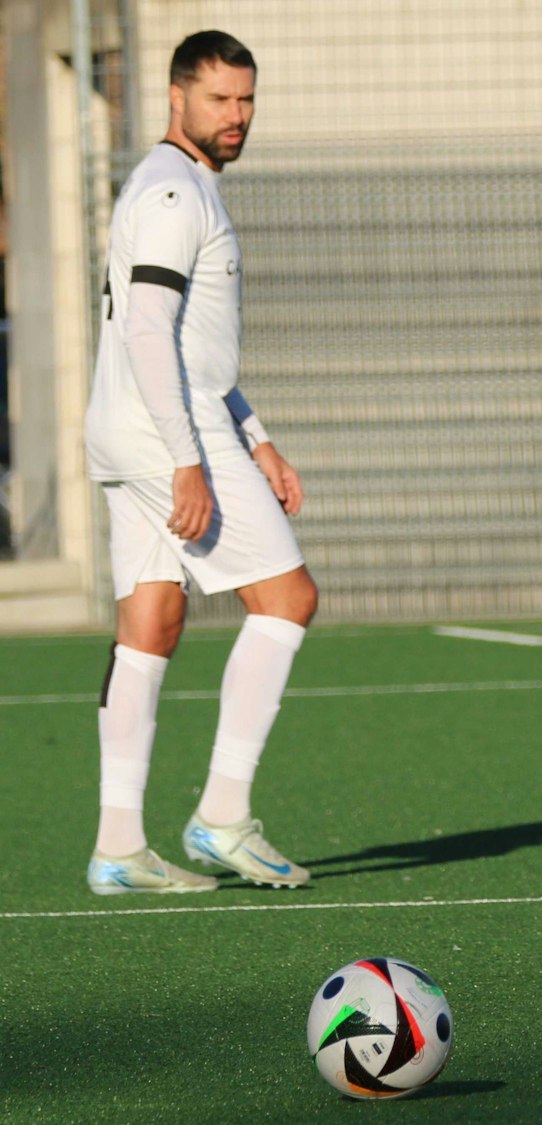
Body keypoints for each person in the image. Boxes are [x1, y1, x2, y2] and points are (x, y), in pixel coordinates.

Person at [83, 31, 317, 895]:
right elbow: (149, 332)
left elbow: (194, 351)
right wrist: (191, 460)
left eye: (247, 100)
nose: (237, 117)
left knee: (151, 624)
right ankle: (222, 816)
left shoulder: (169, 185)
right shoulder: (180, 191)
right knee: (287, 598)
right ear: (177, 97)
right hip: (162, 432)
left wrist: (255, 435)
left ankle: (118, 847)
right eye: (220, 100)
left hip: (126, 428)